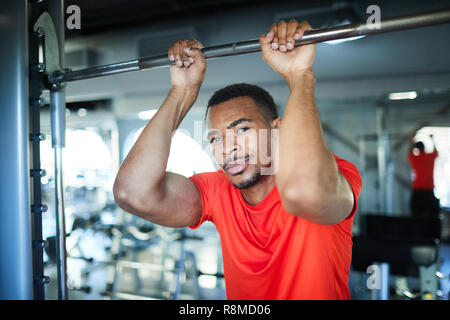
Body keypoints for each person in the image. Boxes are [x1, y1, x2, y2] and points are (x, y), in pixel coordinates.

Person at [113, 19, 362, 299]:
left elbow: (305, 192)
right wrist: (182, 93)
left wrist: (300, 75)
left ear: (276, 130)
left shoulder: (336, 173)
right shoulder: (216, 190)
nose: (227, 148)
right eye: (215, 139)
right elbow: (131, 192)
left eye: (242, 130)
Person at [407, 132, 440, 217]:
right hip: (429, 190)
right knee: (432, 216)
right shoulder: (430, 157)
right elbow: (436, 151)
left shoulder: (415, 158)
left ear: (416, 149)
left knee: (416, 214)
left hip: (417, 190)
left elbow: (409, 152)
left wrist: (412, 140)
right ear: (424, 148)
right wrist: (432, 139)